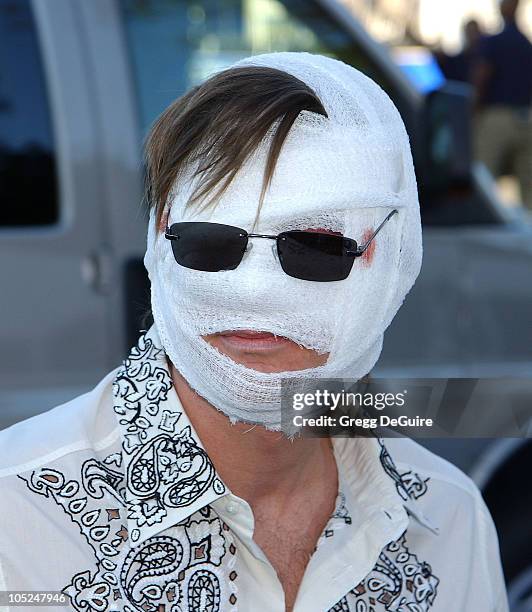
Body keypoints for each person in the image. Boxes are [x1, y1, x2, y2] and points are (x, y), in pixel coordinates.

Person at [0, 52, 508, 611]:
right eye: (211, 243)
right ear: (160, 241)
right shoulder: (17, 518)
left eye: (314, 245)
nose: (254, 291)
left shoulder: (448, 521)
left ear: (391, 259)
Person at [473, 0, 532, 209]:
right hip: (526, 117)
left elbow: (482, 76)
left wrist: (474, 111)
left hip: (497, 116)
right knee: (528, 188)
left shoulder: (494, 41)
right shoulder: (526, 43)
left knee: (483, 179)